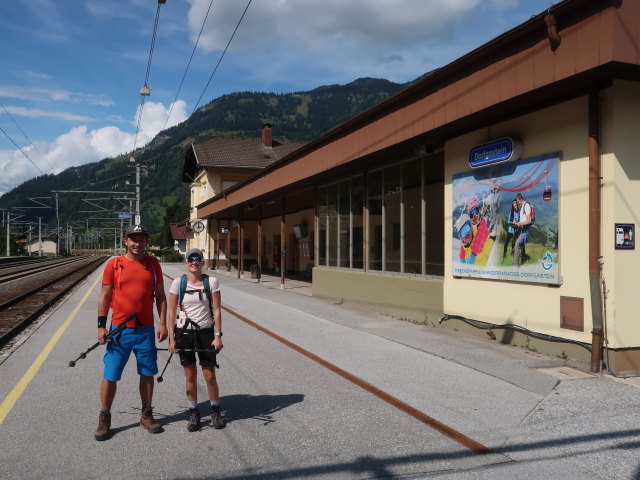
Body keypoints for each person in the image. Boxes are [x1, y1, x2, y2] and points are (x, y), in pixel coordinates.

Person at [95, 224, 167, 441]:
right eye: (133, 239)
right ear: (125, 241)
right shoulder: (114, 265)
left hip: (145, 330)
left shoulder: (153, 264)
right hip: (119, 330)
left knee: (147, 373)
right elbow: (105, 297)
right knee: (111, 375)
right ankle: (105, 416)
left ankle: (146, 414)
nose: (138, 243)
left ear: (146, 241)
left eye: (142, 239)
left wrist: (162, 323)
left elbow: (161, 296)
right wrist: (101, 325)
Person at [168, 248, 224, 431]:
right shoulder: (178, 283)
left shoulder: (211, 282)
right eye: (190, 259)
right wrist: (171, 338)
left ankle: (215, 410)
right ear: (186, 263)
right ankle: (193, 412)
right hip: (184, 333)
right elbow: (171, 313)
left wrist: (218, 335)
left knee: (209, 374)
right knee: (190, 375)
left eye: (197, 259)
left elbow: (216, 309)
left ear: (202, 262)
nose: (194, 262)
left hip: (206, 333)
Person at [513, 193, 532, 267]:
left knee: (517, 244)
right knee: (519, 246)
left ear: (520, 199)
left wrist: (519, 224)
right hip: (521, 230)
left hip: (525, 231)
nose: (517, 204)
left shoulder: (526, 206)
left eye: (518, 202)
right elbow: (522, 220)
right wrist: (516, 223)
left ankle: (515, 266)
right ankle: (523, 259)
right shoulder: (522, 207)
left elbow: (529, 220)